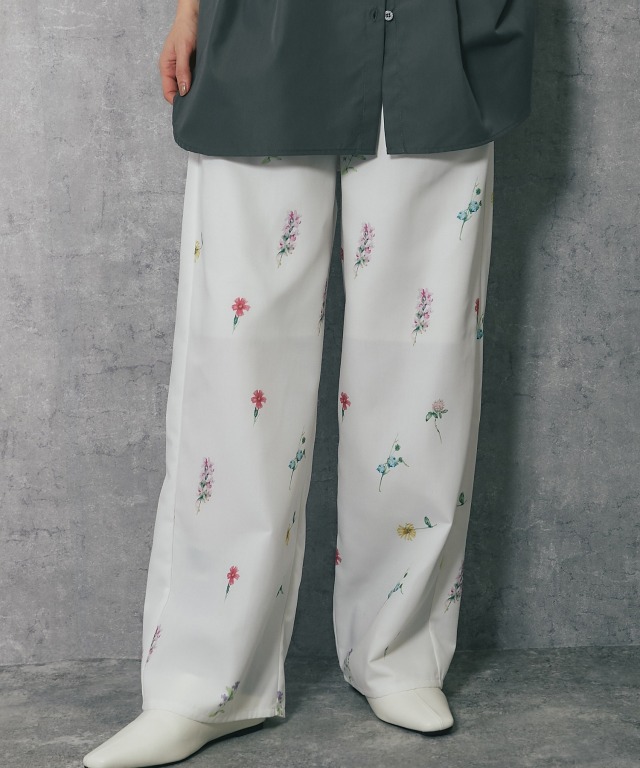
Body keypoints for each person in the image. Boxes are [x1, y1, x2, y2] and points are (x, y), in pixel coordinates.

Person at [83, 2, 535, 766]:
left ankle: (397, 651)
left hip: (433, 29)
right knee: (238, 357)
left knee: (420, 360)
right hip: (267, 25)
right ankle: (204, 680)